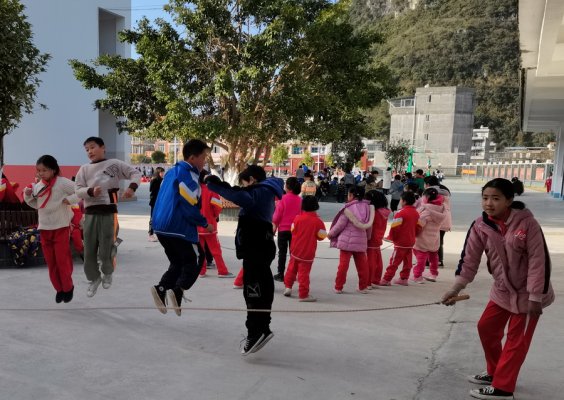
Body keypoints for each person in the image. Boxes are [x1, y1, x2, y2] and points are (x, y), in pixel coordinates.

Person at [441, 178, 555, 400]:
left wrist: (535, 297)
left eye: (495, 198)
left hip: (528, 294)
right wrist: (456, 288)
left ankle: (503, 388)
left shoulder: (527, 224)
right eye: (485, 198)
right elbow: (469, 260)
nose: (489, 203)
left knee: (516, 340)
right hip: (502, 291)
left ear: (509, 200)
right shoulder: (480, 226)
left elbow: (539, 261)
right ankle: (494, 372)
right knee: (486, 328)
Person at [206, 165, 284, 356]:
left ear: (252, 179)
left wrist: (214, 185)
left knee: (254, 291)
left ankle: (256, 332)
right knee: (261, 287)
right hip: (259, 248)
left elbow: (239, 196)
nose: (244, 187)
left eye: (244, 183)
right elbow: (240, 193)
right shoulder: (263, 191)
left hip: (257, 248)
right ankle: (261, 328)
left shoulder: (260, 192)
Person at [149, 139, 214, 316]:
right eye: (203, 157)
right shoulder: (189, 174)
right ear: (192, 158)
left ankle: (161, 289)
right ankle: (178, 290)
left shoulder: (171, 172)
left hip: (161, 226)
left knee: (178, 262)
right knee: (198, 258)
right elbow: (189, 205)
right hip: (177, 227)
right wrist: (204, 223)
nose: (204, 161)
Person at [75, 137, 141, 297]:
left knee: (107, 249)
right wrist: (90, 191)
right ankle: (94, 278)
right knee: (89, 251)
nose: (90, 151)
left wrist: (132, 188)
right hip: (90, 215)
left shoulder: (114, 164)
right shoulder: (84, 169)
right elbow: (77, 190)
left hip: (109, 214)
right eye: (87, 149)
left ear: (103, 147)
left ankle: (108, 272)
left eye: (92, 147)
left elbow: (135, 173)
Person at [23, 155, 79, 303]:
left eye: (44, 170)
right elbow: (36, 205)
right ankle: (59, 289)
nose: (41, 173)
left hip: (60, 227)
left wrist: (70, 200)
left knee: (62, 260)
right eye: (38, 170)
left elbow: (80, 191)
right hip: (45, 228)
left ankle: (68, 287)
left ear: (53, 170)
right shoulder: (38, 186)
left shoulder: (62, 183)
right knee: (51, 262)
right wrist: (28, 196)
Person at [328, 186, 374, 294]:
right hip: (361, 241)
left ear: (352, 195)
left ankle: (338, 287)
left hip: (346, 243)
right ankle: (363, 287)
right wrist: (367, 237)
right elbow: (369, 227)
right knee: (363, 266)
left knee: (343, 265)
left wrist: (330, 234)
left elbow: (339, 225)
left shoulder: (348, 209)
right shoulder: (368, 208)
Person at [283, 196, 327, 302]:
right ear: (316, 206)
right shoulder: (318, 221)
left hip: (295, 249)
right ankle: (303, 294)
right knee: (303, 274)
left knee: (291, 269)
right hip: (307, 252)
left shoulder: (297, 218)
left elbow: (292, 230)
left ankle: (288, 287)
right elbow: (322, 236)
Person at [197, 170, 234, 278]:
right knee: (215, 250)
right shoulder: (211, 191)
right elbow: (217, 207)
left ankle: (201, 271)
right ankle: (222, 271)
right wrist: (213, 216)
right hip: (209, 225)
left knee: (200, 250)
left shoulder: (194, 190)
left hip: (196, 226)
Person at [380, 191, 421, 286]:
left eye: (401, 200)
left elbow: (395, 228)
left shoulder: (400, 213)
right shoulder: (416, 213)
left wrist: (391, 237)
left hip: (400, 242)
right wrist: (414, 235)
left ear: (404, 201)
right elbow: (419, 227)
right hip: (410, 241)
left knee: (394, 262)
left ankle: (386, 279)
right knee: (408, 262)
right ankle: (404, 278)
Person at [410, 188, 446, 284]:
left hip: (423, 238)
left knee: (421, 258)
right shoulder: (441, 208)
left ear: (427, 197)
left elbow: (419, 224)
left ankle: (417, 276)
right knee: (434, 257)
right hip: (434, 238)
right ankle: (433, 274)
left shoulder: (426, 209)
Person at [272, 177, 302, 282]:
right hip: (295, 230)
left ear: (288, 187)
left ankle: (280, 274)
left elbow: (277, 216)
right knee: (294, 253)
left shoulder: (283, 199)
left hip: (283, 230)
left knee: (282, 253)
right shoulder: (300, 200)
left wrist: (274, 227)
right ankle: (293, 274)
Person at [424, 175, 452, 267]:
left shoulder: (429, 191)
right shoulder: (445, 191)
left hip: (433, 219)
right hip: (445, 219)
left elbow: (425, 206)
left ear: (428, 184)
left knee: (428, 240)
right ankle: (439, 260)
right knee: (439, 240)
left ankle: (427, 261)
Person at [364, 190, 390, 287]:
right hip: (378, 237)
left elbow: (368, 226)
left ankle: (368, 281)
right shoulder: (384, 212)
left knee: (370, 261)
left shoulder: (373, 212)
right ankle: (376, 279)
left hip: (371, 238)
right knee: (378, 260)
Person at [148, 167, 165, 242]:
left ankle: (157, 233)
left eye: (163, 172)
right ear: (158, 173)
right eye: (161, 172)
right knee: (153, 217)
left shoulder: (163, 180)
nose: (163, 174)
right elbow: (151, 189)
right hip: (154, 201)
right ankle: (150, 234)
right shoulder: (154, 180)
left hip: (161, 201)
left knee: (160, 217)